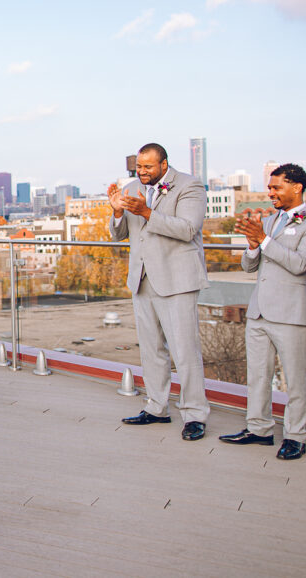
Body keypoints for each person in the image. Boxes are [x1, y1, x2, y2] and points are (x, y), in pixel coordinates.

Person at [220, 164, 306, 461]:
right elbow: (249, 266)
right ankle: (258, 429)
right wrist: (253, 245)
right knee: (257, 375)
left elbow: (300, 265)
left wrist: (264, 240)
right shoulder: (271, 219)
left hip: (291, 313)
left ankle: (295, 436)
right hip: (259, 311)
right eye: (270, 187)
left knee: (295, 379)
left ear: (297, 188)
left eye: (277, 187)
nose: (271, 193)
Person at [108, 143, 211, 440]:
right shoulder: (130, 187)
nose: (141, 172)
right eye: (138, 167)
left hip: (177, 279)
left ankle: (195, 414)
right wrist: (116, 213)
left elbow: (188, 229)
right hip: (141, 279)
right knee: (151, 348)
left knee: (184, 350)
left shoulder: (190, 186)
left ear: (164, 165)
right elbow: (120, 233)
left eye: (148, 167)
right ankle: (156, 407)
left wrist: (147, 212)